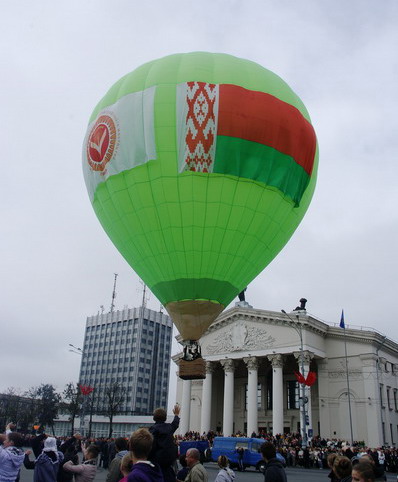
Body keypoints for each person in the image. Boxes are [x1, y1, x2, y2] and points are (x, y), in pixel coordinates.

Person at [148, 404, 180, 482]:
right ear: (165, 418)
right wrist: (176, 415)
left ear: (154, 418)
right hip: (168, 463)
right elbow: (175, 424)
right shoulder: (169, 427)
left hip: (156, 463)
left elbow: (151, 446)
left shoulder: (153, 429)